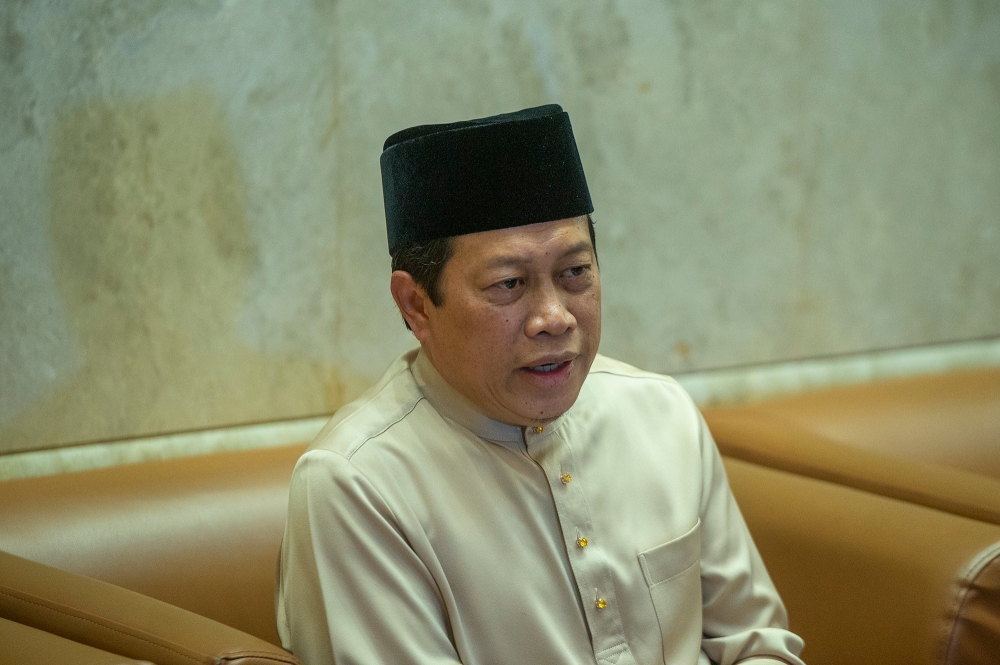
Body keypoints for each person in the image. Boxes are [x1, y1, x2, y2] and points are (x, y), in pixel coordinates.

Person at [276, 105, 806, 665]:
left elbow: (757, 644)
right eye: (509, 284)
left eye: (575, 272)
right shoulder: (358, 486)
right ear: (415, 304)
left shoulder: (658, 411)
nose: (554, 317)